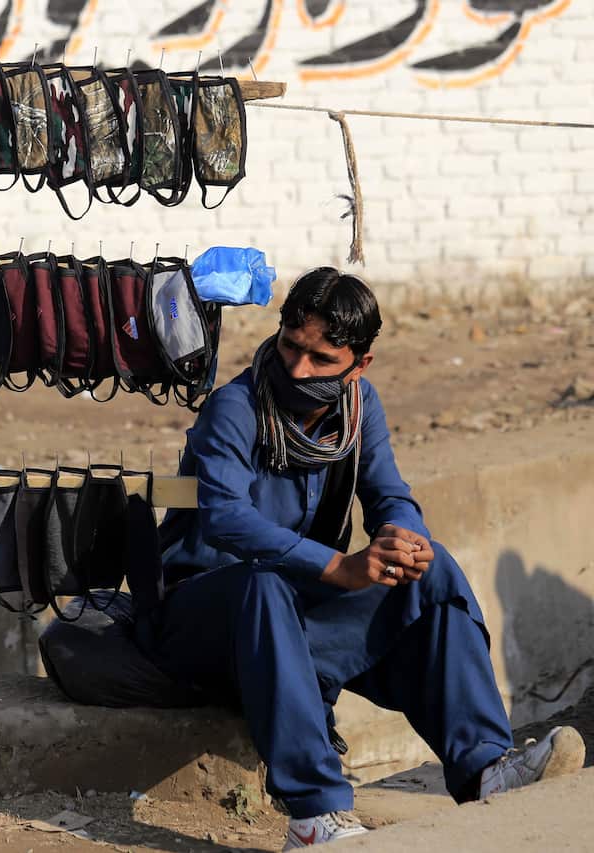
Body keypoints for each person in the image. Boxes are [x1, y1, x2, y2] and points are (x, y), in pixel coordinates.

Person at [133, 267, 586, 849]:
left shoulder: (360, 405)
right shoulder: (235, 408)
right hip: (203, 616)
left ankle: (484, 769)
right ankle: (315, 816)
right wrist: (338, 568)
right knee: (264, 588)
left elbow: (388, 494)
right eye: (292, 348)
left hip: (292, 612)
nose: (299, 369)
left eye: (321, 359)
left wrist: (404, 536)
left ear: (359, 364)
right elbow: (226, 519)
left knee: (434, 571)